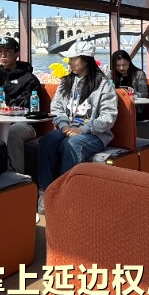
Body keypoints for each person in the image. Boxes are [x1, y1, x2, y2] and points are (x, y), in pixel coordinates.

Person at [37, 39, 117, 215]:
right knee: (47, 140)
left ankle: (67, 195)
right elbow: (56, 108)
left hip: (95, 134)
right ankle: (46, 190)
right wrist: (64, 125)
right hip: (68, 128)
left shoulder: (103, 84)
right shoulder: (66, 82)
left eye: (73, 59)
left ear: (86, 60)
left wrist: (82, 130)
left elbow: (108, 117)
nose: (70, 62)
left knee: (72, 144)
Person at [0, 36, 40, 174]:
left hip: (24, 123)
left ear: (16, 54)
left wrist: (2, 106)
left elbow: (25, 105)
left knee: (12, 133)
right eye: (0, 51)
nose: (3, 55)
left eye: (7, 51)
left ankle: (17, 177)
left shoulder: (29, 79)